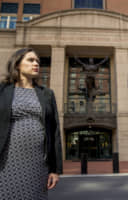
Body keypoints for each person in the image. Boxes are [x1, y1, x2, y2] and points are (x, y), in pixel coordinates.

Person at [0, 48, 63, 199]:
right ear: (17, 64)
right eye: (30, 60)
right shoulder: (2, 91)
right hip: (6, 160)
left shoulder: (46, 94)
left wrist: (54, 169)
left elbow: (54, 132)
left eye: (37, 61)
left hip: (37, 163)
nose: (36, 64)